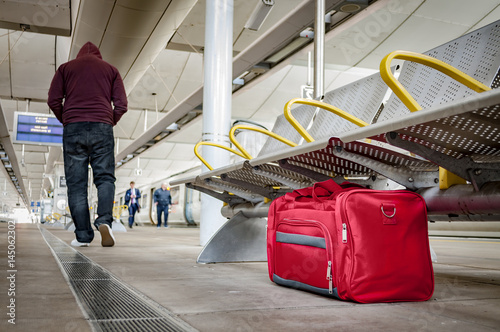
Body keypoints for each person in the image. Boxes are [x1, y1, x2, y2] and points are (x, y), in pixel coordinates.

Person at [48, 41, 127, 247]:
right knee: (105, 178)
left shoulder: (65, 68)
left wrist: (66, 119)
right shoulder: (111, 70)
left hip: (73, 127)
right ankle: (104, 220)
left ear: (79, 55)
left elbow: (53, 100)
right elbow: (122, 104)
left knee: (76, 185)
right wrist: (109, 121)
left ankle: (83, 235)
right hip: (103, 127)